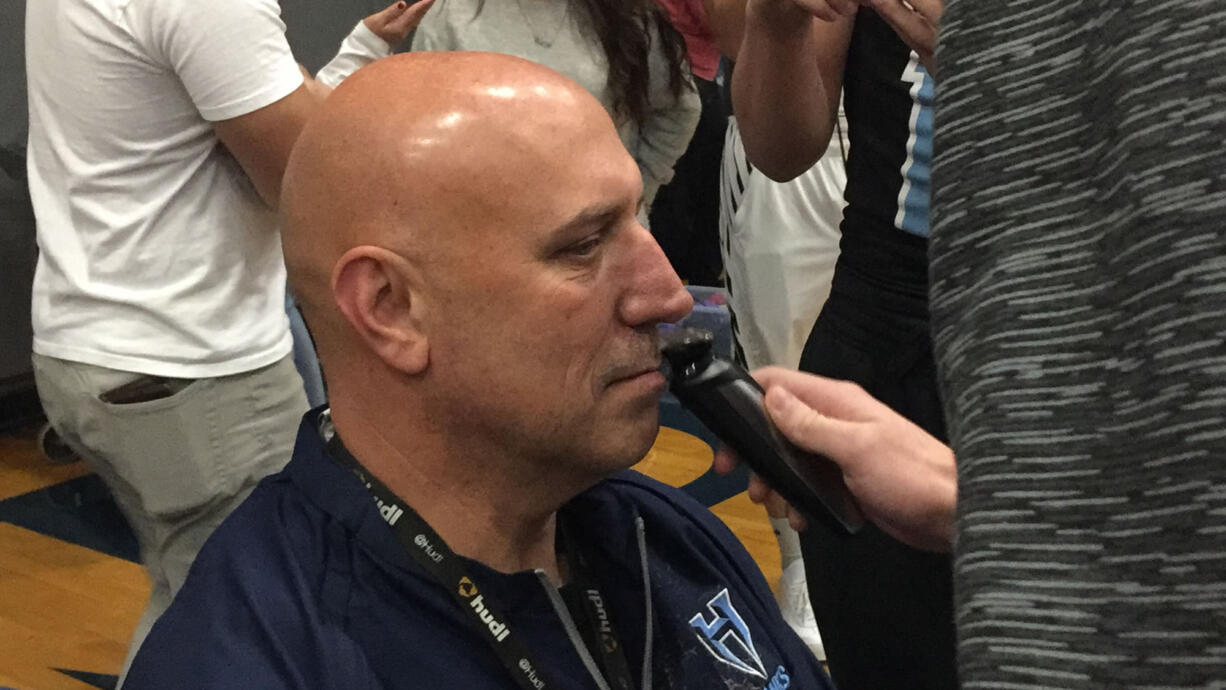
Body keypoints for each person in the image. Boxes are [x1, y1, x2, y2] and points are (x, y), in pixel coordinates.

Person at [123, 53, 832, 690]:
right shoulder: (257, 659)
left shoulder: (663, 538)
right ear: (391, 309)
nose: (668, 296)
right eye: (584, 246)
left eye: (637, 221)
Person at [23, 0, 431, 678]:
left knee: (193, 600)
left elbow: (236, 123)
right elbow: (307, 181)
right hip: (190, 370)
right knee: (248, 629)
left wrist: (356, 53)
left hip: (93, 349)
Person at [729, 0, 955, 687]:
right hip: (881, 333)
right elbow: (780, 148)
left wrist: (992, 64)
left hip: (1077, 331)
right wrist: (776, 21)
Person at [409, 0, 700, 220]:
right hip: (489, 230)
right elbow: (422, 127)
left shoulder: (627, 13)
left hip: (601, 233)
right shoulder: (452, 14)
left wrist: (639, 186)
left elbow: (678, 110)